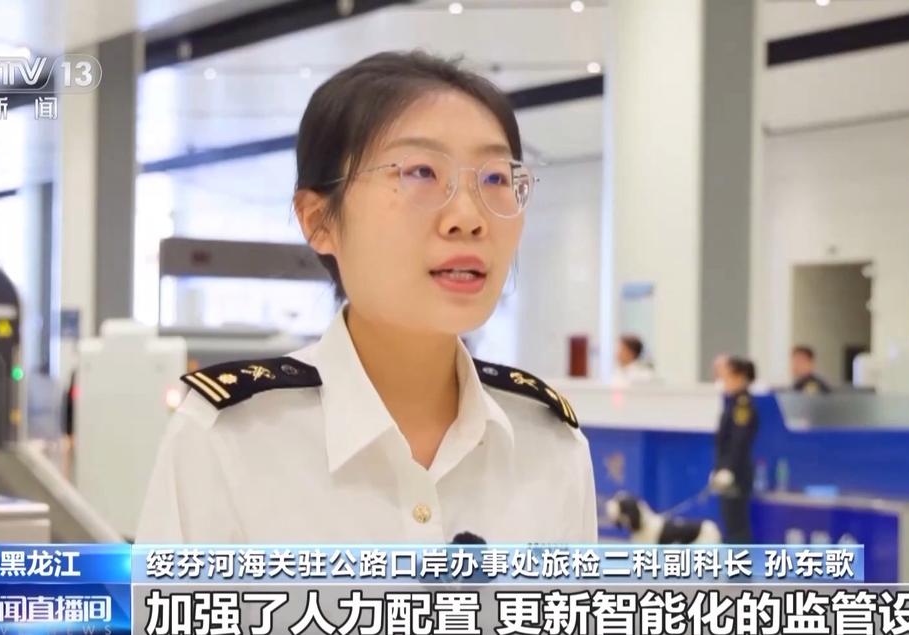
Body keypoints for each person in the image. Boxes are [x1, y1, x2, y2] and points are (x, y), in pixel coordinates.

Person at [136, 51, 597, 544]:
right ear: (319, 220)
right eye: (421, 172)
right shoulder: (227, 440)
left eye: (495, 178)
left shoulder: (550, 447)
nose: (468, 218)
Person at [710, 356, 758, 543]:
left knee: (737, 526)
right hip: (726, 469)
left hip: (737, 471)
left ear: (740, 377)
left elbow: (739, 440)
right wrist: (719, 468)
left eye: (728, 377)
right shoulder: (731, 402)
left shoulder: (742, 404)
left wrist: (728, 469)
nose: (725, 381)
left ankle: (740, 561)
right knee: (729, 523)